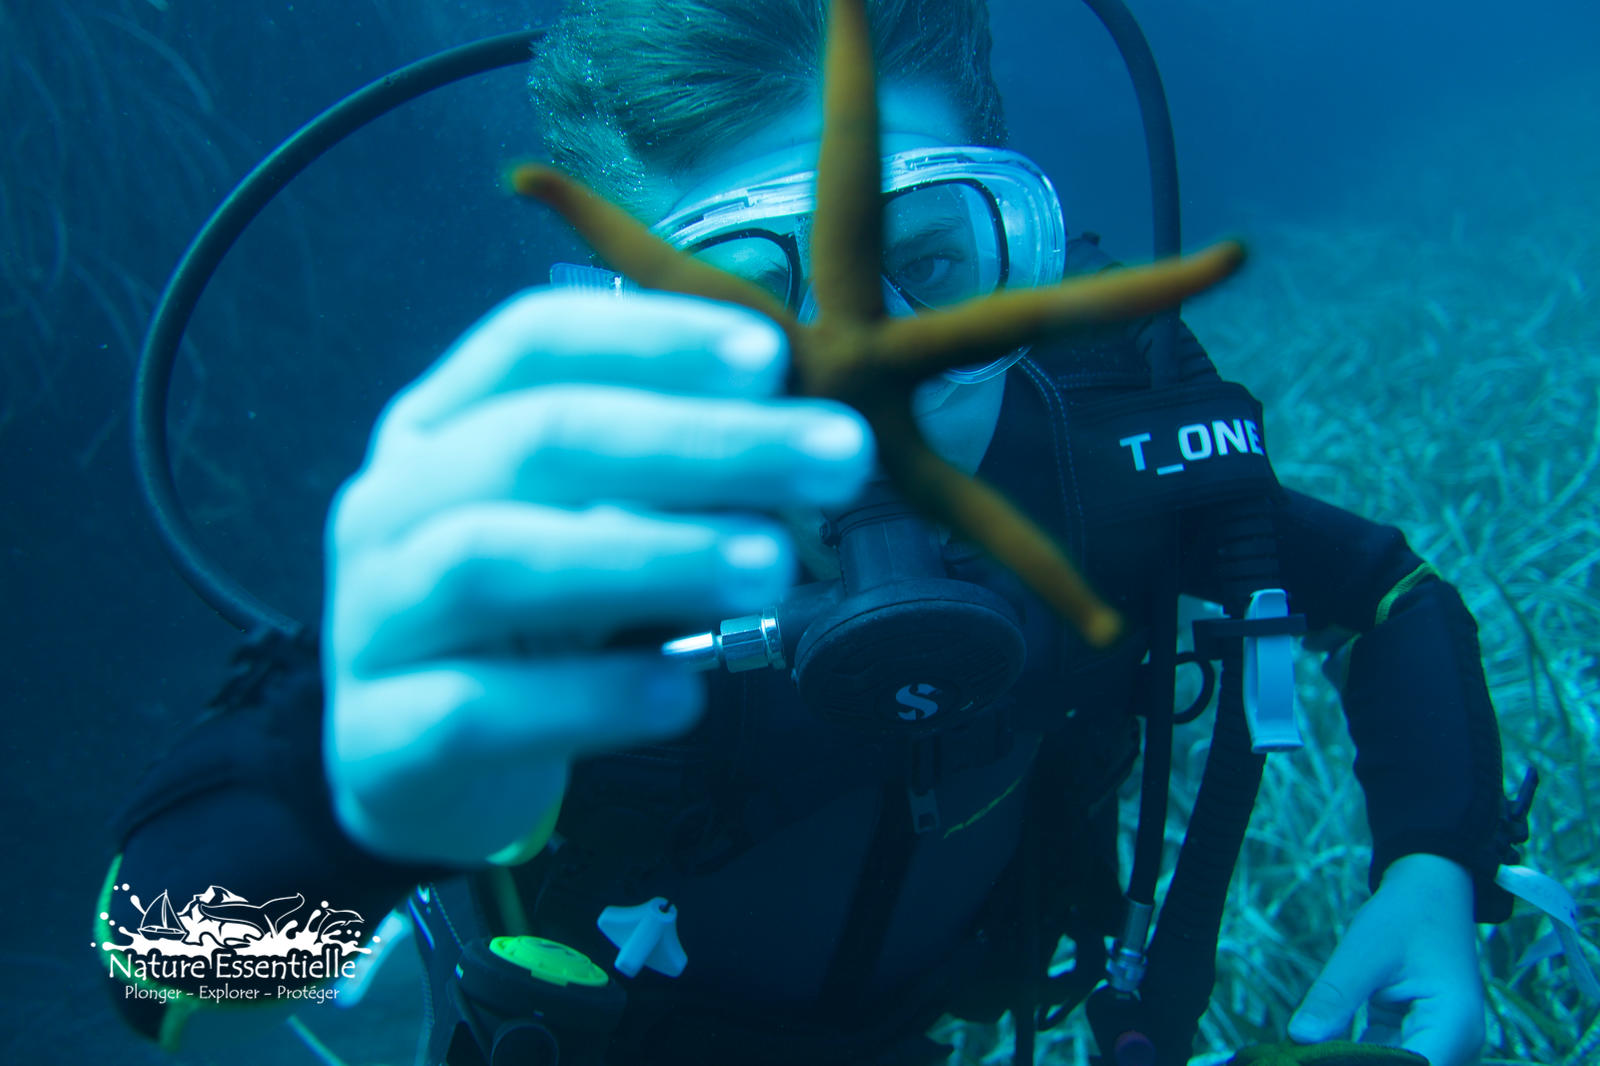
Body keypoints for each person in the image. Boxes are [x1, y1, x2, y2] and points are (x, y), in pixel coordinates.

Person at [100, 3, 1515, 1065]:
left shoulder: (1091, 466)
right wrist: (339, 840)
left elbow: (1384, 593)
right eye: (740, 307)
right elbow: (148, 956)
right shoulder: (545, 573)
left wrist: (1432, 863)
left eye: (930, 261)